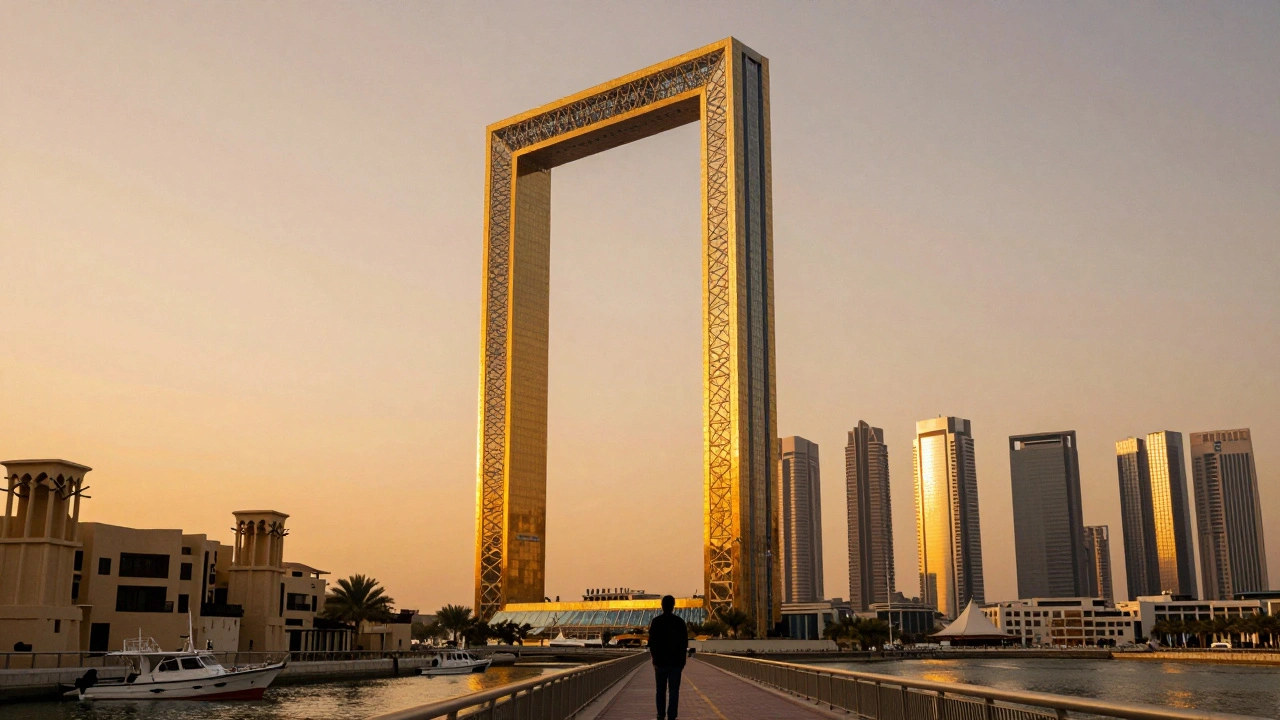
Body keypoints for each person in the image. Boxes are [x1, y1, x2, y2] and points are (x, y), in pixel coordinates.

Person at [647, 595, 688, 720]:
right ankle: (672, 715)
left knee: (660, 691)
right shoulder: (680, 622)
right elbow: (684, 643)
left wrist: (654, 658)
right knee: (674, 691)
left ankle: (660, 714)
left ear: (662, 606)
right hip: (676, 663)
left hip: (660, 663)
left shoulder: (656, 622)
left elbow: (652, 643)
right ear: (673, 606)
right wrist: (682, 661)